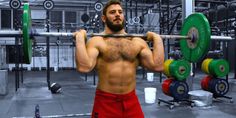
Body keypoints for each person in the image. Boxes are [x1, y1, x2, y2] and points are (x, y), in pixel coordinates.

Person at [73, 0, 164, 118]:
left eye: (120, 12)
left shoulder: (137, 42)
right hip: (106, 101)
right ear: (104, 18)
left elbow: (157, 66)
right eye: (112, 12)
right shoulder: (97, 41)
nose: (117, 14)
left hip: (131, 100)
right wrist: (80, 39)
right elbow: (84, 67)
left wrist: (157, 39)